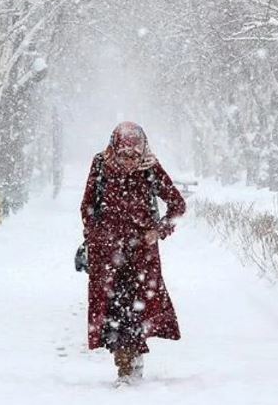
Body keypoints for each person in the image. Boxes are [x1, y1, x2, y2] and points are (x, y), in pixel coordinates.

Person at [80, 121, 187, 385]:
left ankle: (130, 363)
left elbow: (177, 206)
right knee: (113, 310)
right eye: (124, 155)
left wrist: (158, 231)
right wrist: (96, 236)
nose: (129, 161)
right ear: (114, 148)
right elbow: (87, 206)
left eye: (134, 155)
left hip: (142, 255)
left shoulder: (150, 168)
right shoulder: (100, 165)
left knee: (136, 308)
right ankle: (124, 362)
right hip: (107, 254)